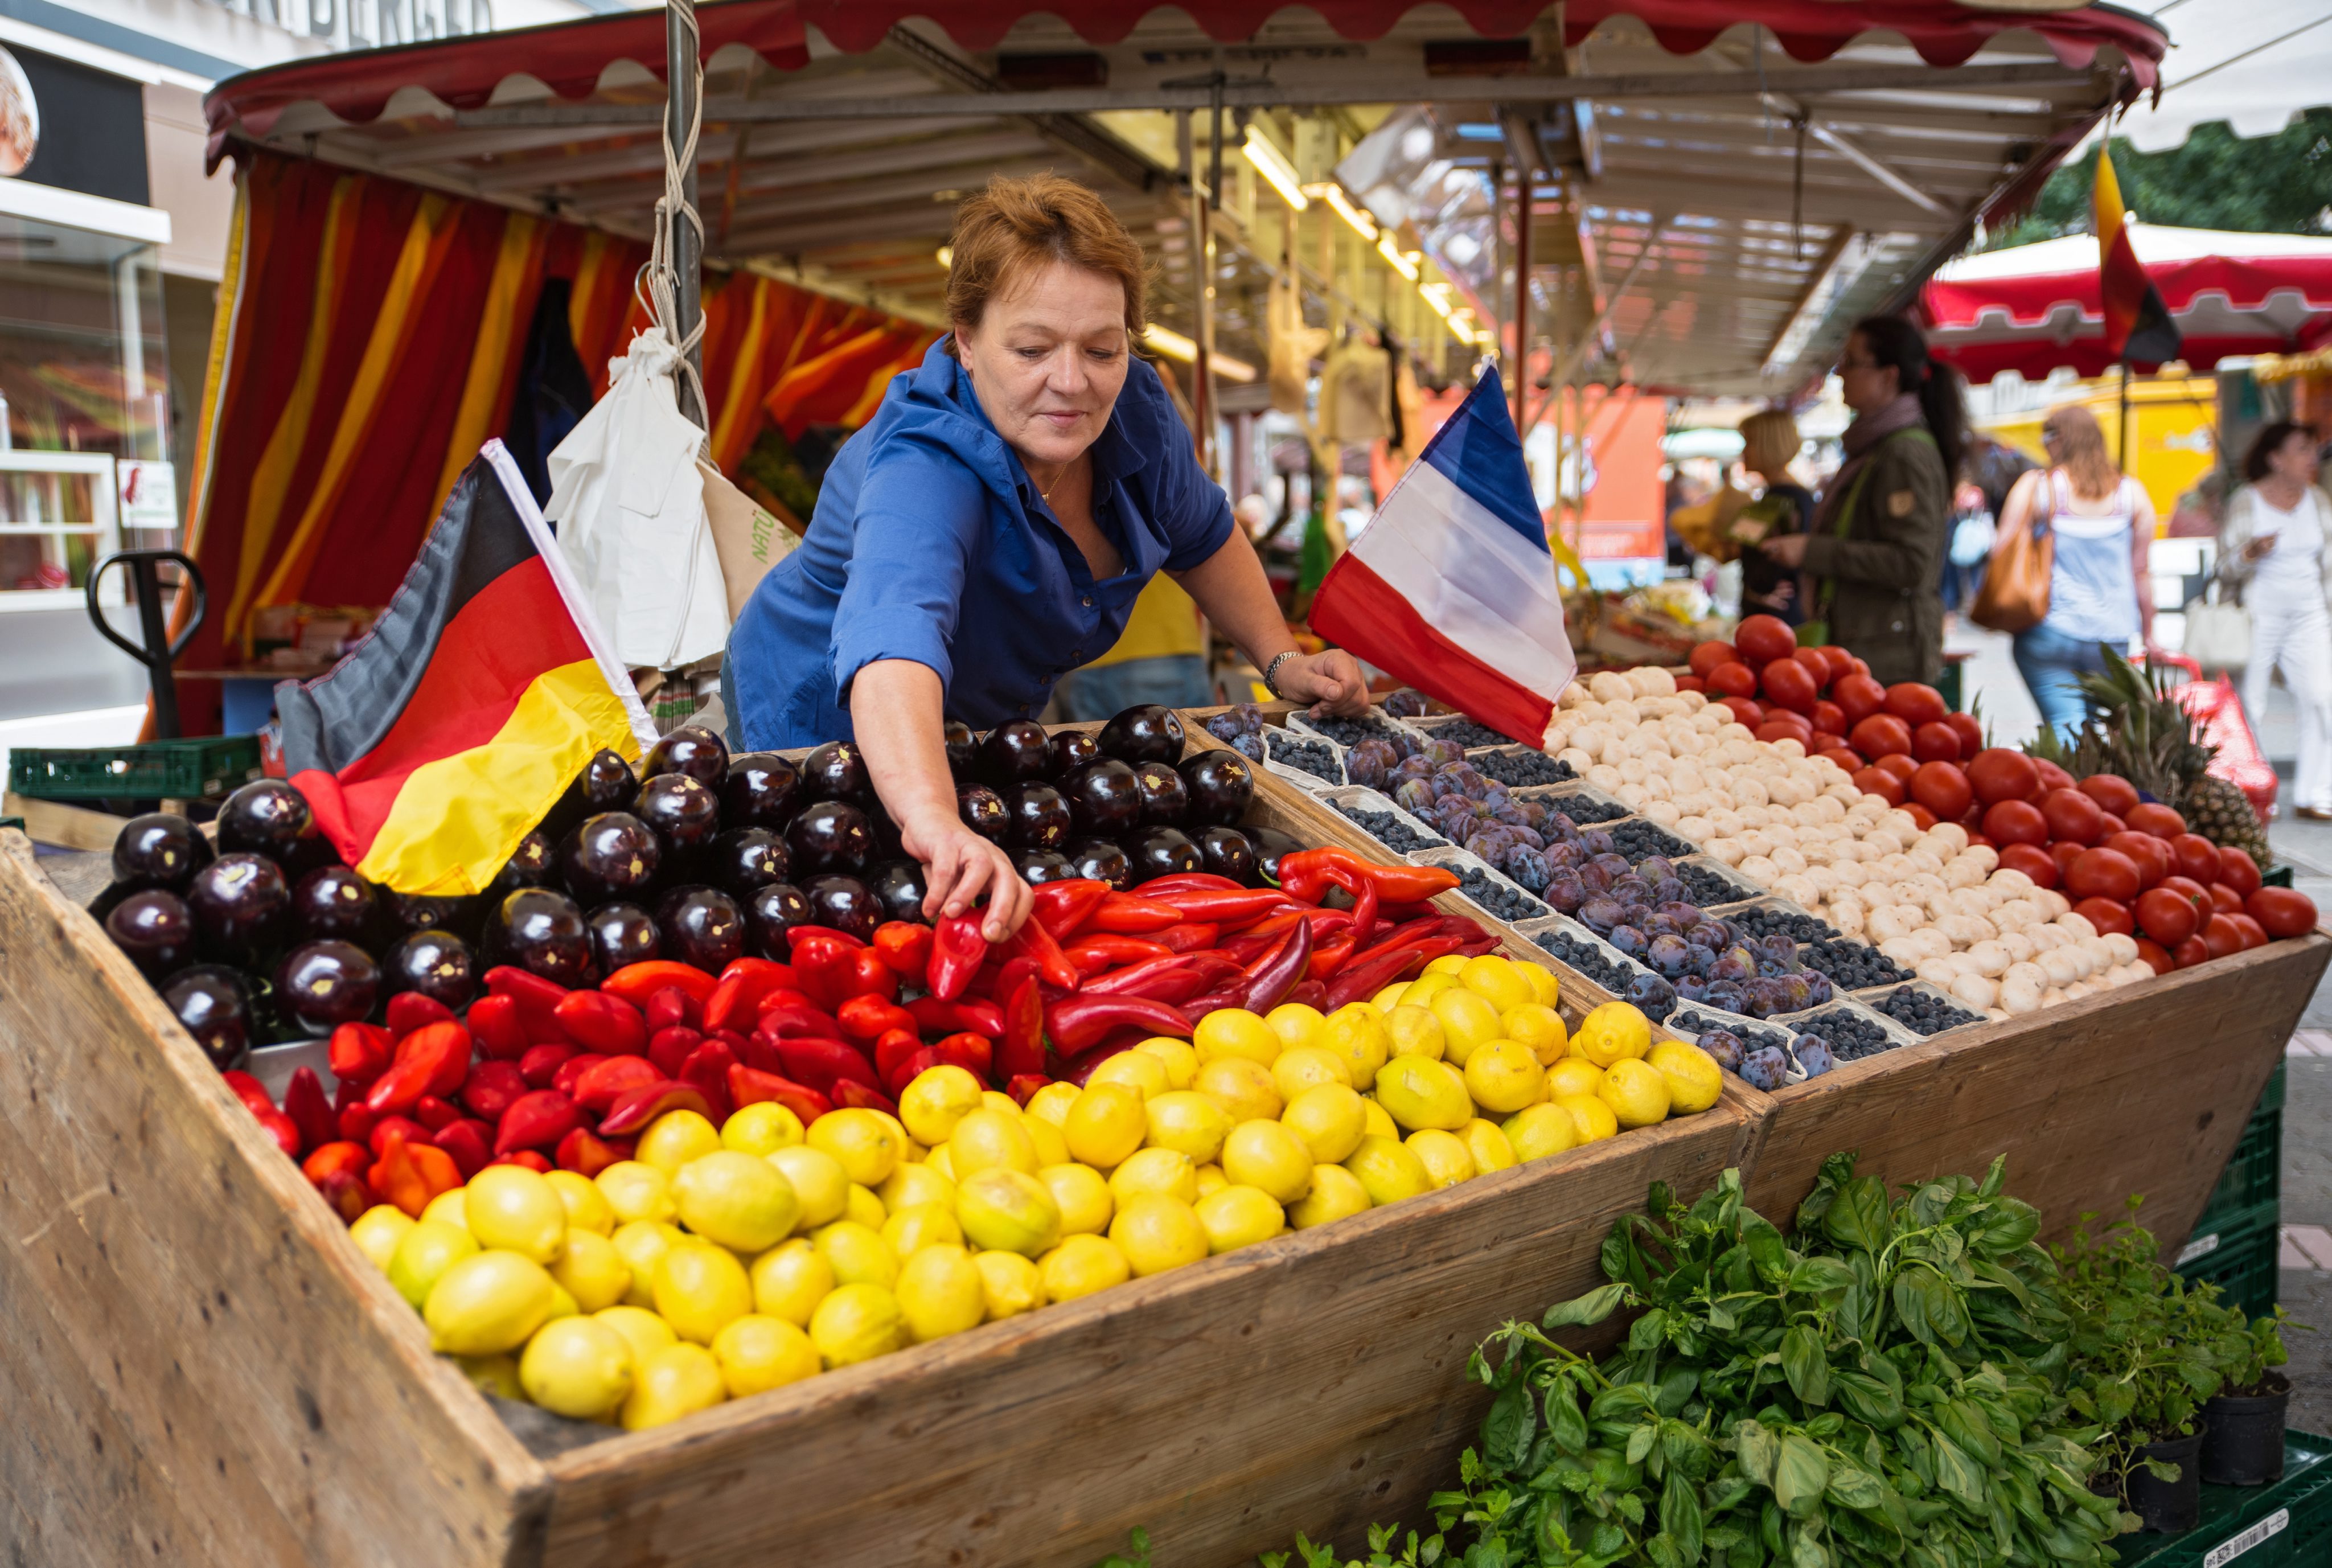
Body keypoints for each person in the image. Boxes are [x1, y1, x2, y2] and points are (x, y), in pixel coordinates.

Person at [722, 174, 1368, 938]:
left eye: (1103, 348)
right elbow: (893, 644)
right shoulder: (925, 467)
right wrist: (933, 818)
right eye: (1032, 348)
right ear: (965, 340)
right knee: (858, 904)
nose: (1072, 382)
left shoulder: (1135, 413)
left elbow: (1203, 534)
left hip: (972, 720)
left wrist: (1280, 659)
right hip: (826, 708)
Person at [1758, 315, 1960, 683]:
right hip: (1871, 646)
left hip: (1886, 657)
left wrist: (1812, 551)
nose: (1839, 373)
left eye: (1851, 362)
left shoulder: (1903, 453)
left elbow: (1913, 563)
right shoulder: (1876, 448)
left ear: (1889, 376)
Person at [1994, 405, 2158, 742]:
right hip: (2112, 637)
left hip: (2049, 630)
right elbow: (2141, 571)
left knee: (2065, 727)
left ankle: (2074, 791)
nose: (2043, 446)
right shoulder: (2132, 494)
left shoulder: (2038, 487)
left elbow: (2001, 550)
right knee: (2103, 731)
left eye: (2047, 437)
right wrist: (2150, 632)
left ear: (2060, 441)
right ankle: (2102, 790)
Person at [2220, 421, 2332, 818]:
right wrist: (2250, 552)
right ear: (2275, 458)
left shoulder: (2317, 500)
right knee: (2252, 701)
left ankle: (2315, 793)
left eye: (2312, 449)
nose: (2311, 457)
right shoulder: (2248, 501)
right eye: (2302, 449)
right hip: (2258, 612)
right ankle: (2256, 791)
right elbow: (2225, 566)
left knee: (2321, 697)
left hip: (2310, 612)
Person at [1730, 409, 1813, 625]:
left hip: (1775, 621)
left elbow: (1782, 562)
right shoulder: (1783, 497)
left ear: (1770, 444)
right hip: (1772, 617)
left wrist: (1759, 592)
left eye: (1750, 442)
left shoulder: (1787, 500)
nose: (1744, 452)